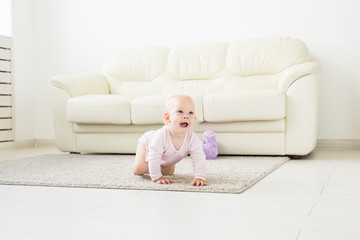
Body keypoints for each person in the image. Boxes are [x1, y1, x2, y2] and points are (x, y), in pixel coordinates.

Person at [132, 94, 207, 187]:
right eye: (180, 111)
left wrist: (199, 177)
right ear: (168, 118)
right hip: (148, 143)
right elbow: (154, 156)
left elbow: (199, 157)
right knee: (139, 169)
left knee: (169, 172)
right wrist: (157, 177)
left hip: (165, 155)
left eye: (190, 113)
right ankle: (150, 168)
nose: (186, 116)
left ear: (195, 119)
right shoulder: (161, 136)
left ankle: (161, 166)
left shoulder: (192, 138)